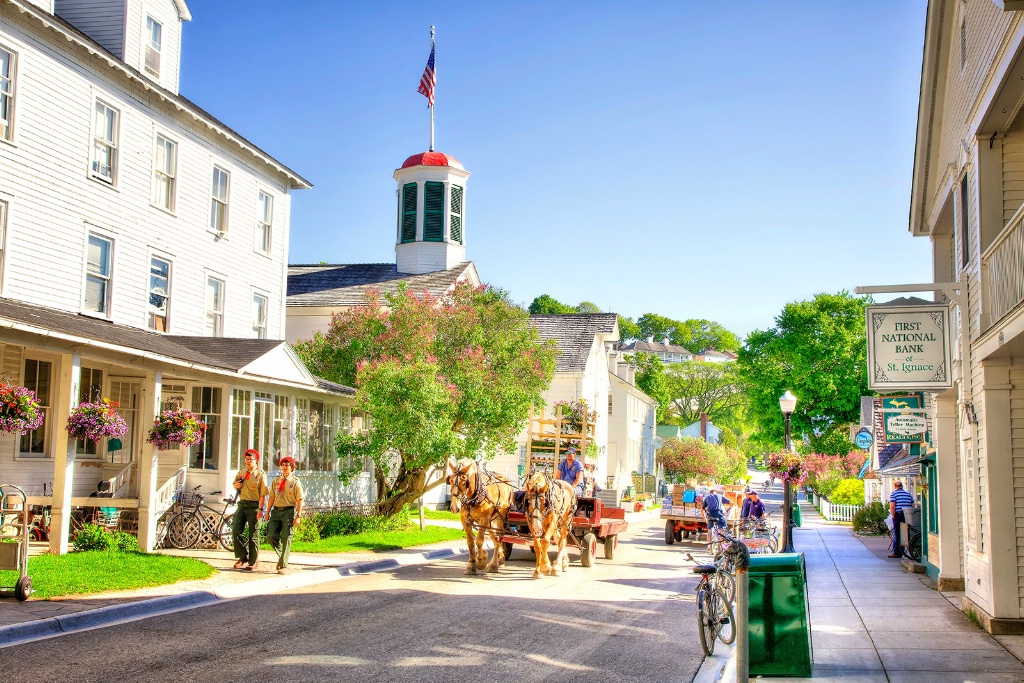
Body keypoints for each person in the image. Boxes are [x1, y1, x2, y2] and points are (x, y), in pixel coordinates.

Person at [231, 449, 269, 571]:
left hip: (254, 506)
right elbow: (235, 484)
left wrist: (261, 509)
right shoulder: (242, 473)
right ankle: (242, 557)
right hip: (242, 504)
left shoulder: (260, 474)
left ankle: (253, 561)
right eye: (246, 459)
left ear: (256, 460)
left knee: (254, 534)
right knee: (236, 529)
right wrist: (236, 485)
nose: (248, 462)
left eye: (250, 459)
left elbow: (263, 494)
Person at [266, 455, 304, 575]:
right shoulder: (276, 481)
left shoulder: (295, 482)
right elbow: (272, 497)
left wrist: (298, 516)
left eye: (287, 465)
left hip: (289, 511)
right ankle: (283, 555)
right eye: (282, 465)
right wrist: (267, 512)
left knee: (286, 537)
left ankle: (283, 565)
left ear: (292, 467)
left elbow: (299, 500)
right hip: (276, 510)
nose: (284, 467)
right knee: (270, 535)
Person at [888, 480, 915, 558]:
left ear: (895, 486)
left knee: (897, 533)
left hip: (899, 515)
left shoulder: (894, 494)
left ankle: (897, 552)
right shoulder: (908, 494)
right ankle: (907, 549)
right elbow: (913, 506)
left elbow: (892, 506)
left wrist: (893, 516)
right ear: (902, 486)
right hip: (908, 514)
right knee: (907, 532)